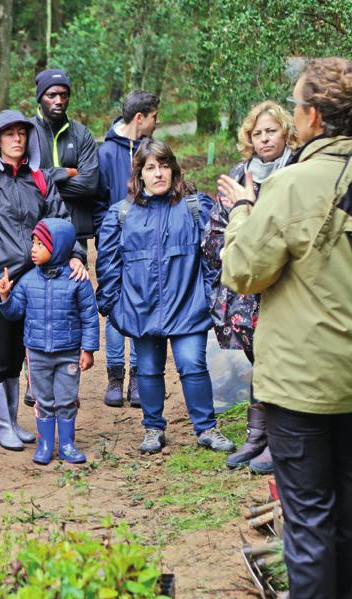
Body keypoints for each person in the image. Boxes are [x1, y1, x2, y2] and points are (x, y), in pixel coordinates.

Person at [218, 58, 352, 599]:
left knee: (309, 520)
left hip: (299, 383)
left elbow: (242, 272)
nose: (292, 114)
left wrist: (243, 209)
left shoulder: (290, 186)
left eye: (294, 106)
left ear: (312, 116)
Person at [0, 109, 88, 451]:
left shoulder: (41, 181)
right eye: (9, 133)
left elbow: (62, 223)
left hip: (36, 281)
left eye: (22, 133)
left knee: (17, 355)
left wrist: (76, 255)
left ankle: (14, 421)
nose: (17, 139)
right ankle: (2, 424)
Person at [96, 139, 235, 456]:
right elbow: (108, 266)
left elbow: (215, 259)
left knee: (192, 364)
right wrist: (116, 307)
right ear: (139, 174)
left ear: (173, 169)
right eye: (150, 167)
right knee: (147, 369)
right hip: (141, 308)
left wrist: (209, 299)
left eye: (163, 165)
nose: (158, 173)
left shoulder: (195, 207)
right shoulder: (122, 214)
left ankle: (207, 429)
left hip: (188, 305)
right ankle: (152, 428)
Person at [202, 100, 298, 475]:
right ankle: (258, 437)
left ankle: (280, 441)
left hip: (283, 288)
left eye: (271, 130)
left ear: (286, 132)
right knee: (260, 363)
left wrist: (250, 214)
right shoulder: (240, 173)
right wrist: (231, 240)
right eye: (257, 133)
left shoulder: (297, 170)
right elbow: (214, 234)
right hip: (244, 292)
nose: (264, 139)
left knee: (281, 364)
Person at [0, 218, 99, 464]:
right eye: (33, 243)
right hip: (37, 352)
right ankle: (44, 445)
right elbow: (15, 313)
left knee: (66, 399)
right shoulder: (28, 280)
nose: (33, 249)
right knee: (43, 400)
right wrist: (5, 296)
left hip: (69, 353)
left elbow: (89, 316)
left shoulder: (78, 280)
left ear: (60, 247)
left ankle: (66, 444)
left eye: (40, 244)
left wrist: (89, 349)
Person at [96, 90, 161, 409]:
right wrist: (105, 230)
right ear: (140, 118)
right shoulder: (106, 152)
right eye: (154, 116)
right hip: (113, 244)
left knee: (143, 304)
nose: (157, 122)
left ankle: (137, 376)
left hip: (147, 244)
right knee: (114, 307)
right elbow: (97, 198)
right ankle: (114, 376)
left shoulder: (151, 151)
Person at [29, 69, 100, 240]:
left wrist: (43, 184)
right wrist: (66, 172)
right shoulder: (26, 132)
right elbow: (25, 182)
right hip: (36, 228)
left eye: (64, 95)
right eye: (52, 95)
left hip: (74, 229)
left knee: (77, 267)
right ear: (40, 98)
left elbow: (89, 184)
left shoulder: (82, 134)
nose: (59, 101)